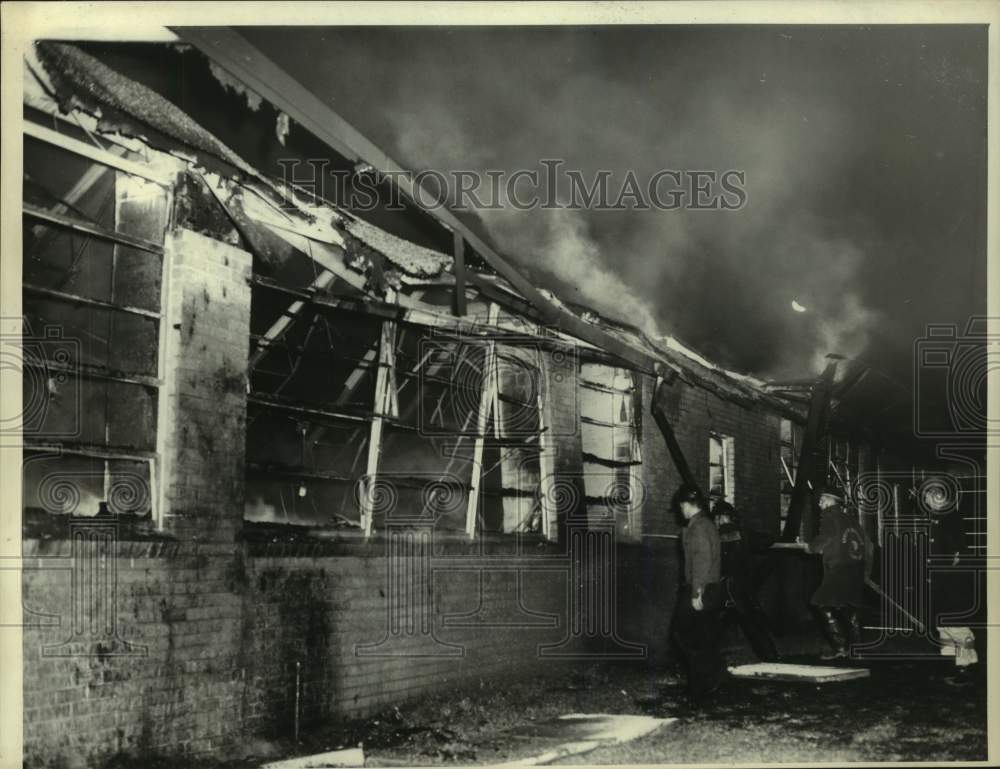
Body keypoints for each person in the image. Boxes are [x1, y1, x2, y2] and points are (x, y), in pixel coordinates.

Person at [672, 484, 725, 701]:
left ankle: (703, 682)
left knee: (682, 633)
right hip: (709, 587)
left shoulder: (698, 527)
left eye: (681, 506)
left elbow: (702, 560)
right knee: (702, 635)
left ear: (686, 505)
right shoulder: (706, 524)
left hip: (700, 587)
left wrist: (696, 593)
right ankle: (710, 678)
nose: (680, 510)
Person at [802, 485, 867, 660]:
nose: (820, 502)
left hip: (838, 568)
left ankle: (840, 648)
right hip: (856, 567)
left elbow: (826, 537)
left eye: (823, 499)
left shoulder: (829, 516)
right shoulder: (851, 519)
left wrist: (811, 547)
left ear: (832, 501)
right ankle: (858, 651)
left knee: (820, 603)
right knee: (851, 608)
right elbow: (864, 544)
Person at [713, 500, 779, 662]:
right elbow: (767, 540)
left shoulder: (714, 535)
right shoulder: (743, 533)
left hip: (723, 585)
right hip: (743, 585)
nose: (715, 521)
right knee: (752, 622)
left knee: (713, 620)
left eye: (716, 518)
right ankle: (770, 656)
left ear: (721, 518)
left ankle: (709, 659)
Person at [924, 482, 978, 669]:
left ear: (937, 498)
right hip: (940, 580)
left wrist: (946, 574)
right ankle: (949, 660)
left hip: (951, 582)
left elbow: (956, 552)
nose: (926, 502)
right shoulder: (937, 518)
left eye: (928, 498)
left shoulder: (951, 518)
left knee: (953, 622)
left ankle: (968, 658)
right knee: (942, 625)